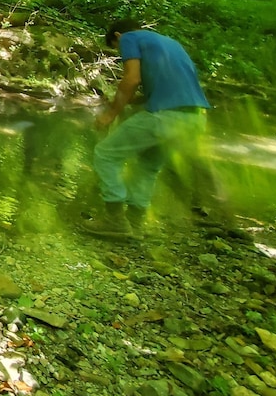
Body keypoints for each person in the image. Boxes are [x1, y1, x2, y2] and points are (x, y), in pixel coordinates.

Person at [82, 18, 218, 240]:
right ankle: (135, 223)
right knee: (147, 165)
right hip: (195, 117)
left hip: (165, 117)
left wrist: (110, 114)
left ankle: (115, 220)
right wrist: (127, 101)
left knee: (105, 154)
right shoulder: (172, 44)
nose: (121, 53)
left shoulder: (129, 38)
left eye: (117, 50)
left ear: (117, 37)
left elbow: (132, 78)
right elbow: (169, 88)